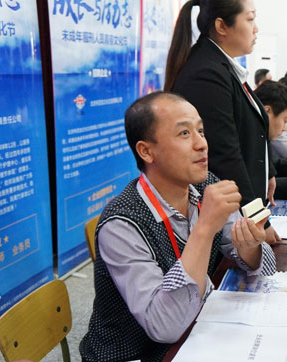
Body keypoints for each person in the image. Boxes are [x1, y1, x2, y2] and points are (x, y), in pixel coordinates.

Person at [80, 92, 276, 362]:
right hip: (136, 354)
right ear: (146, 151)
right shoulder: (122, 224)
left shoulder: (205, 185)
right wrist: (205, 227)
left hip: (195, 333)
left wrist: (250, 247)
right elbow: (164, 327)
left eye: (201, 131)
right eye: (184, 133)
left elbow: (262, 266)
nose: (202, 145)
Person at [164, 0, 279, 242]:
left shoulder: (223, 66)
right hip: (222, 220)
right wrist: (259, 220)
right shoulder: (207, 74)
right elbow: (225, 157)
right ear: (221, 26)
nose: (256, 28)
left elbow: (252, 130)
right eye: (250, 19)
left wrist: (268, 172)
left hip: (237, 211)